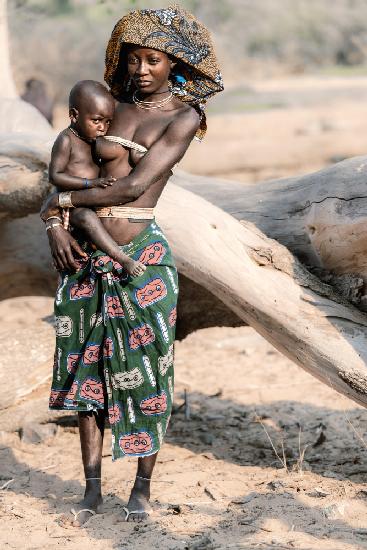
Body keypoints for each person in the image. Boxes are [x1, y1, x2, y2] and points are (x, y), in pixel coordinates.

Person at [41, 5, 223, 527]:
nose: (142, 69)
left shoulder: (185, 117)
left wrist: (62, 209)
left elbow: (133, 187)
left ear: (175, 63)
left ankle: (141, 489)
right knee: (85, 376)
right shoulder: (105, 107)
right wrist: (54, 225)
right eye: (134, 59)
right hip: (83, 258)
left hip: (140, 258)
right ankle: (92, 491)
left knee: (149, 373)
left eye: (154, 60)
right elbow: (64, 170)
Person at [49, 79, 146, 277]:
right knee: (86, 217)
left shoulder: (94, 139)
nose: (102, 127)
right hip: (73, 206)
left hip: (93, 200)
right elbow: (55, 176)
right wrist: (90, 183)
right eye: (96, 120)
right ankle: (123, 259)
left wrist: (134, 154)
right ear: (74, 115)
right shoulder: (66, 139)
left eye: (107, 122)